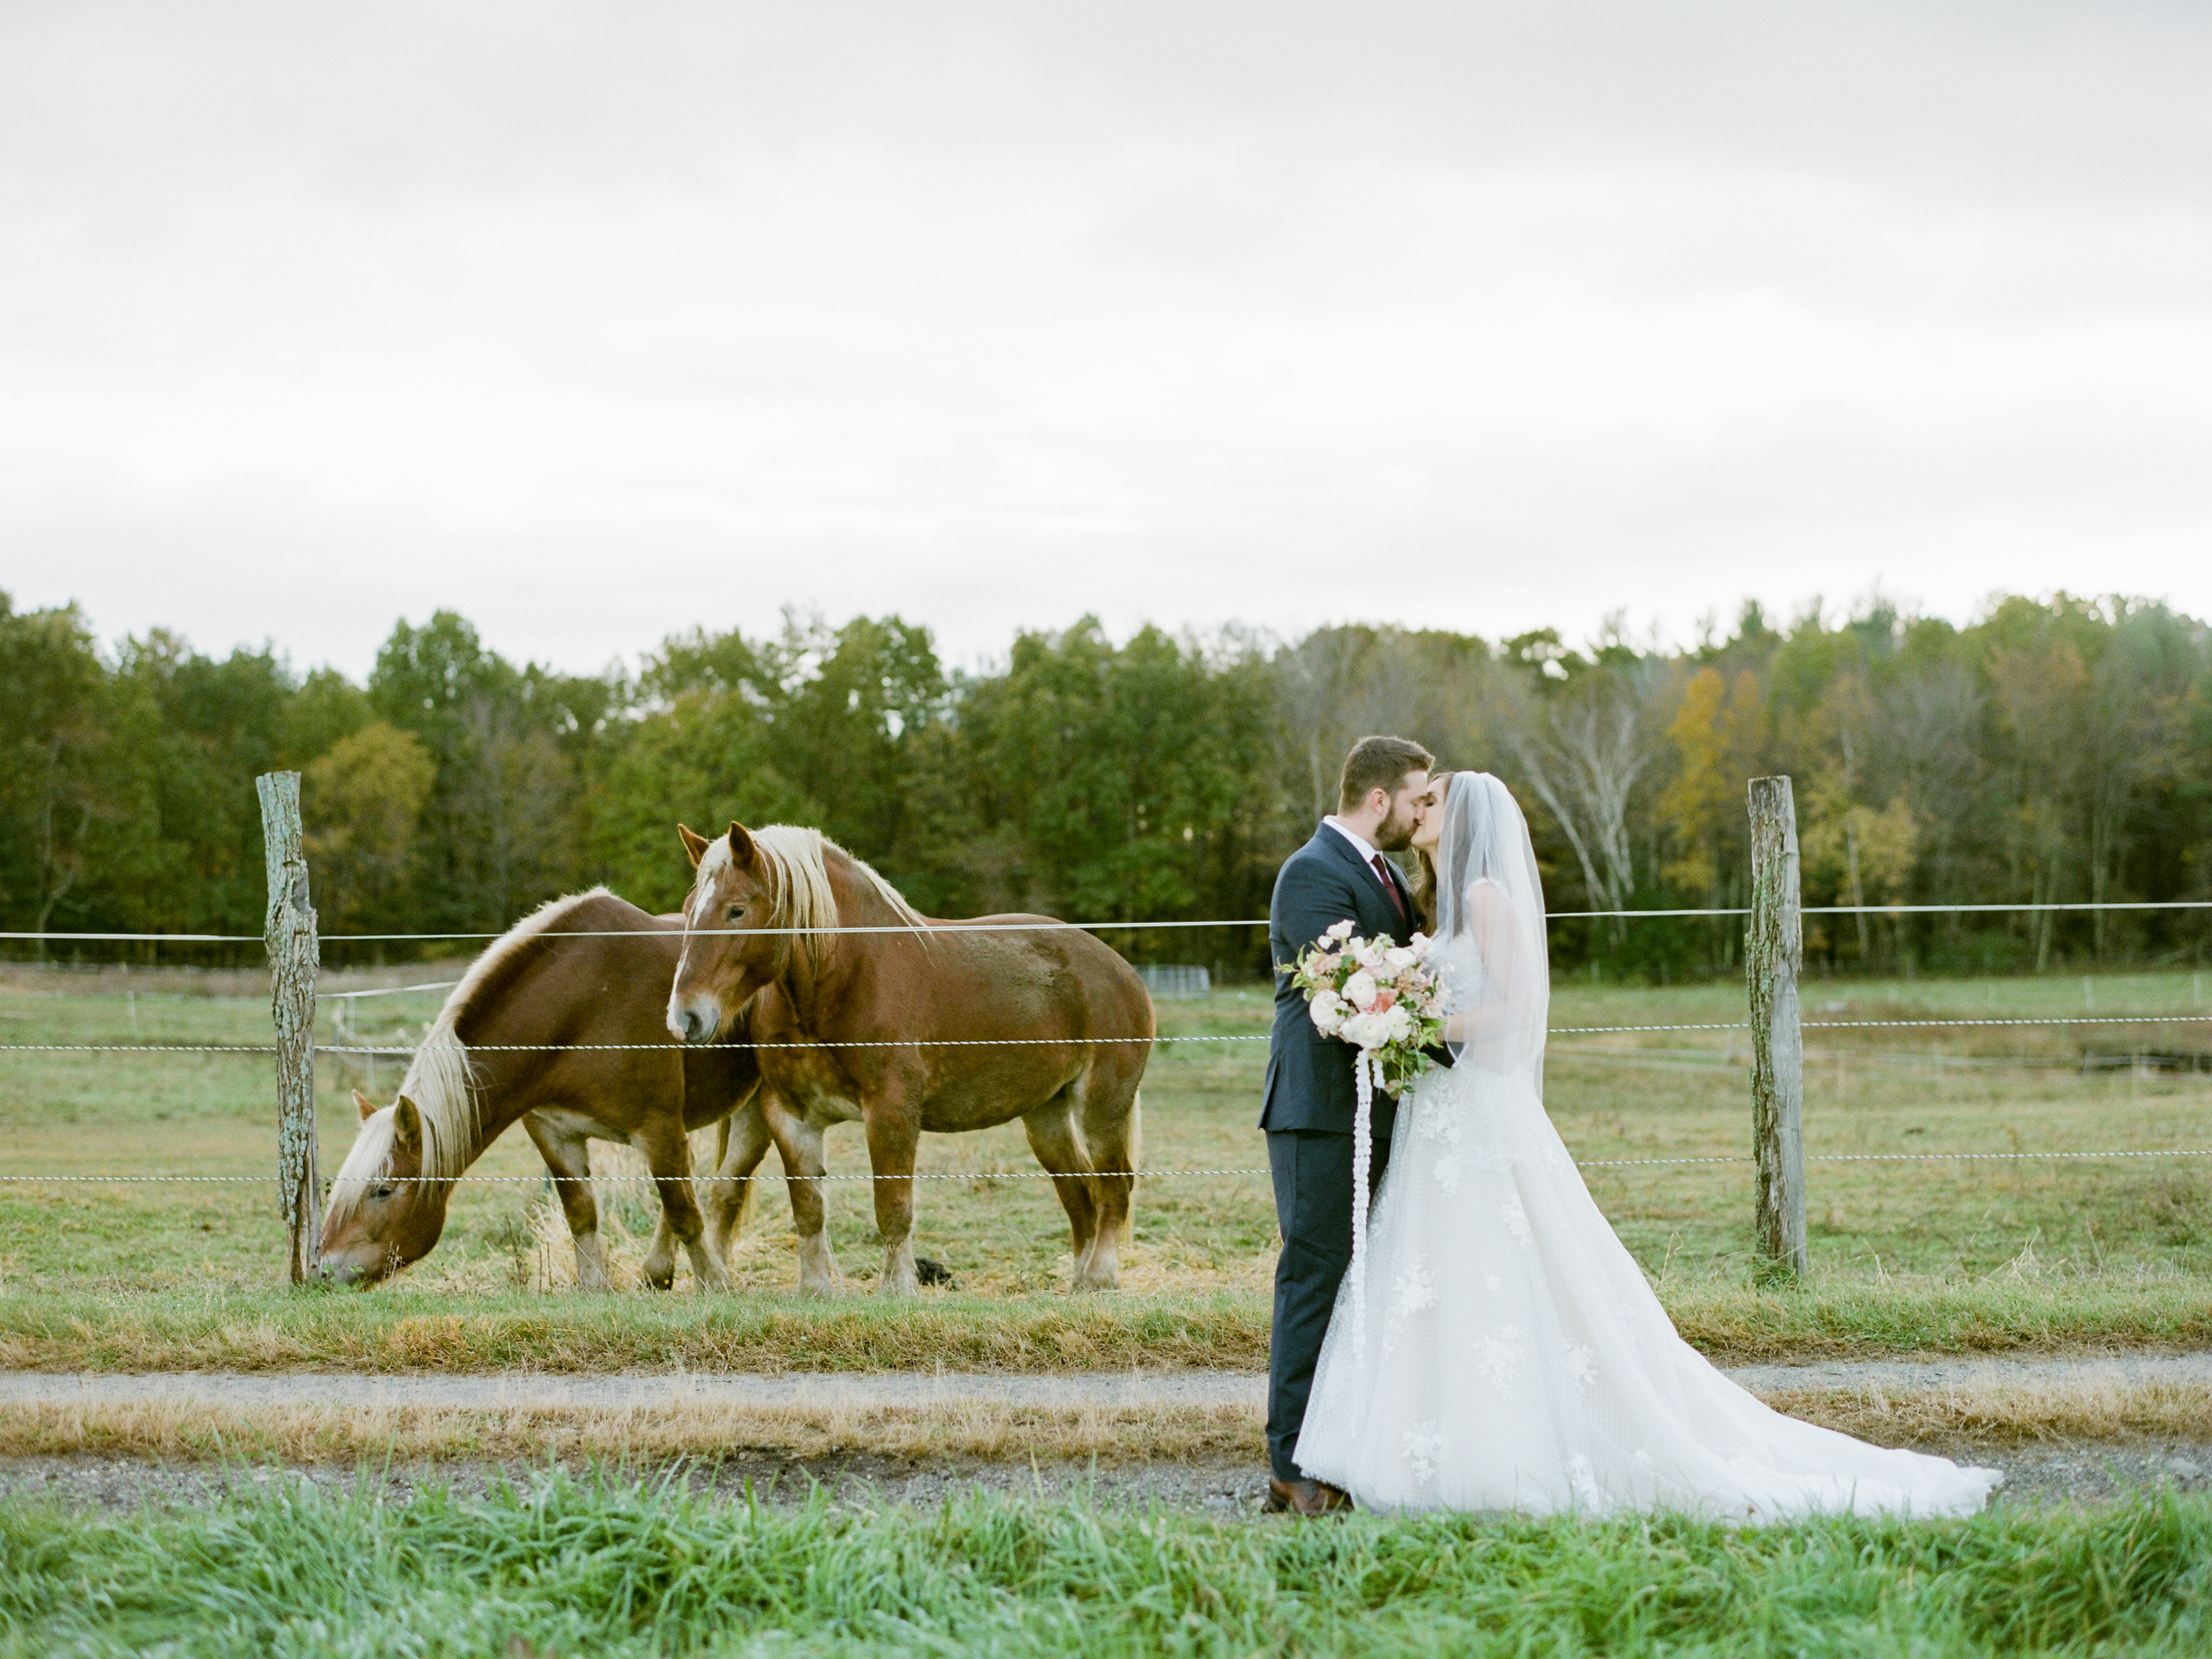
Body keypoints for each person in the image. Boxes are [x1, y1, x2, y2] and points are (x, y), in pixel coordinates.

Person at [1290, 770, 2001, 1518]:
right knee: (1449, 1274)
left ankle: (1504, 1455)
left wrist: (1419, 1021)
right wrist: (1407, 1004)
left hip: (1475, 1112)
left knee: (1500, 1266)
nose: (1417, 811)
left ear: (1463, 820)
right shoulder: (1442, 901)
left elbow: (1516, 1005)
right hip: (1445, 1115)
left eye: (1432, 802)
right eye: (1417, 799)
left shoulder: (1482, 897)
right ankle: (1439, 1449)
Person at [1260, 733, 1443, 1516]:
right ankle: (1290, 1463)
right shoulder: (1311, 874)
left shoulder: (1389, 873)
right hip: (1321, 1113)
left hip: (1375, 1105)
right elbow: (1345, 995)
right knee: (1314, 1273)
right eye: (1416, 796)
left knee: (1363, 1283)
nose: (1419, 809)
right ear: (1379, 799)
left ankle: (1347, 1445)